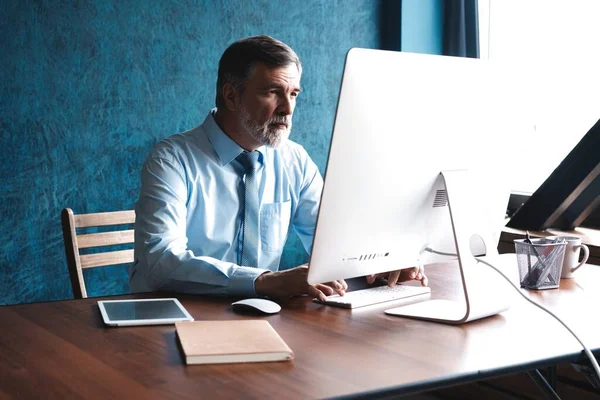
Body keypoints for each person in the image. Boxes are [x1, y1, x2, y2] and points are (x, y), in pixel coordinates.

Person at [130, 35, 427, 302]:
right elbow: (161, 261)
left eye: (294, 93)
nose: (287, 108)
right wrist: (263, 281)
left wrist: (384, 262)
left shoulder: (293, 159)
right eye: (273, 91)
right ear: (232, 96)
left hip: (259, 317)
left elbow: (333, 243)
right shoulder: (171, 160)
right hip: (172, 320)